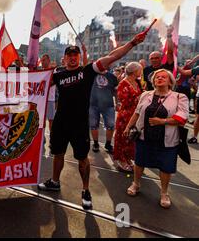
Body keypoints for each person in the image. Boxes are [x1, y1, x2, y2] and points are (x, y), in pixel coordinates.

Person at [37, 31, 147, 210]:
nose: (72, 58)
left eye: (75, 55)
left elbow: (112, 56)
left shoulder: (87, 71)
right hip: (60, 122)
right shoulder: (57, 75)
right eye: (69, 56)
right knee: (58, 153)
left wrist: (133, 43)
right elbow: (35, 84)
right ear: (64, 59)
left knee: (82, 159)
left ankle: (86, 190)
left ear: (80, 58)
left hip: (79, 124)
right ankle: (55, 182)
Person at [124, 69, 188, 209]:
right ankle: (136, 183)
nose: (159, 78)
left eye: (163, 77)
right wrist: (128, 127)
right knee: (139, 162)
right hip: (143, 137)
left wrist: (162, 121)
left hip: (167, 140)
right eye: (157, 77)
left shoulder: (179, 97)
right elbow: (137, 113)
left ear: (170, 81)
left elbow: (183, 118)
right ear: (153, 81)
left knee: (165, 167)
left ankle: (164, 193)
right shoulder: (145, 94)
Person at [113, 62, 143, 172]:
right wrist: (138, 98)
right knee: (123, 138)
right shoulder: (123, 83)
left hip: (136, 114)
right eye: (140, 70)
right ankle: (121, 160)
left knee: (131, 138)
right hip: (125, 115)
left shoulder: (137, 81)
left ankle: (128, 158)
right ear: (134, 71)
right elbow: (124, 101)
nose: (141, 72)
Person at [89, 68, 118, 154]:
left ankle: (108, 144)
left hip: (108, 105)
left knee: (111, 125)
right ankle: (95, 143)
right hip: (93, 104)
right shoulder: (92, 74)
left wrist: (117, 102)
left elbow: (116, 91)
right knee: (93, 125)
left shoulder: (112, 76)